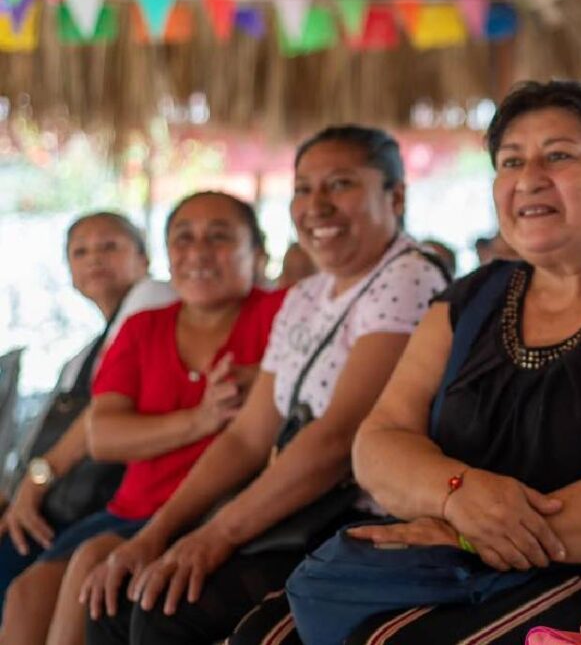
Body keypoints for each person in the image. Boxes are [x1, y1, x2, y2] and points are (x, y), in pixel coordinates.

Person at [228, 80, 581, 645]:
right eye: (510, 161)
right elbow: (378, 440)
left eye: (559, 156)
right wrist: (456, 493)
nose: (529, 179)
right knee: (264, 632)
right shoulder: (472, 297)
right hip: (446, 555)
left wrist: (475, 531)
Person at [82, 125, 448, 645]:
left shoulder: (408, 278)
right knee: (117, 594)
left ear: (396, 196)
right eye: (303, 188)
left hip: (363, 519)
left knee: (169, 610)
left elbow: (337, 439)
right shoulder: (307, 295)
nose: (317, 206)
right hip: (298, 508)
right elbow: (248, 436)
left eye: (340, 184)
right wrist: (156, 535)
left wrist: (215, 535)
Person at [0, 191, 283, 645]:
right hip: (131, 506)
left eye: (219, 237)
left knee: (91, 570)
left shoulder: (284, 314)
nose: (198, 253)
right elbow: (105, 436)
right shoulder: (143, 326)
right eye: (183, 238)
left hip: (220, 505)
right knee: (25, 595)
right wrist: (202, 418)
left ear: (258, 251)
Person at [0, 212, 175, 610]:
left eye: (110, 246)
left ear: (144, 259)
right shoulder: (83, 355)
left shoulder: (152, 299)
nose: (94, 259)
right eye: (80, 252)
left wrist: (34, 483)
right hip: (64, 499)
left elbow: (99, 415)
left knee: (22, 586)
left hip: (108, 495)